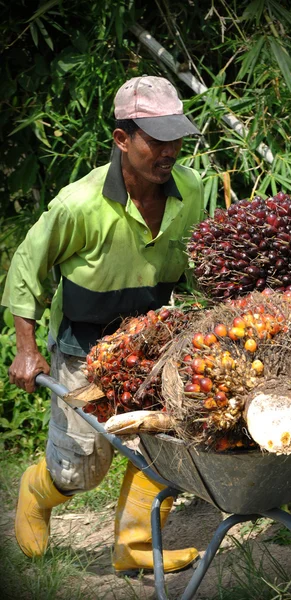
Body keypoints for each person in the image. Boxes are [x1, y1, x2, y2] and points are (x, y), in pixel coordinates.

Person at [2, 75, 204, 574]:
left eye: (176, 138)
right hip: (84, 344)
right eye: (157, 140)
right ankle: (39, 488)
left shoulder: (192, 190)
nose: (170, 151)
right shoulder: (80, 204)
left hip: (155, 342)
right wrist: (26, 349)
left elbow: (199, 265)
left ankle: (134, 546)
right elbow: (26, 269)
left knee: (167, 445)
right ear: (122, 139)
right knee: (82, 468)